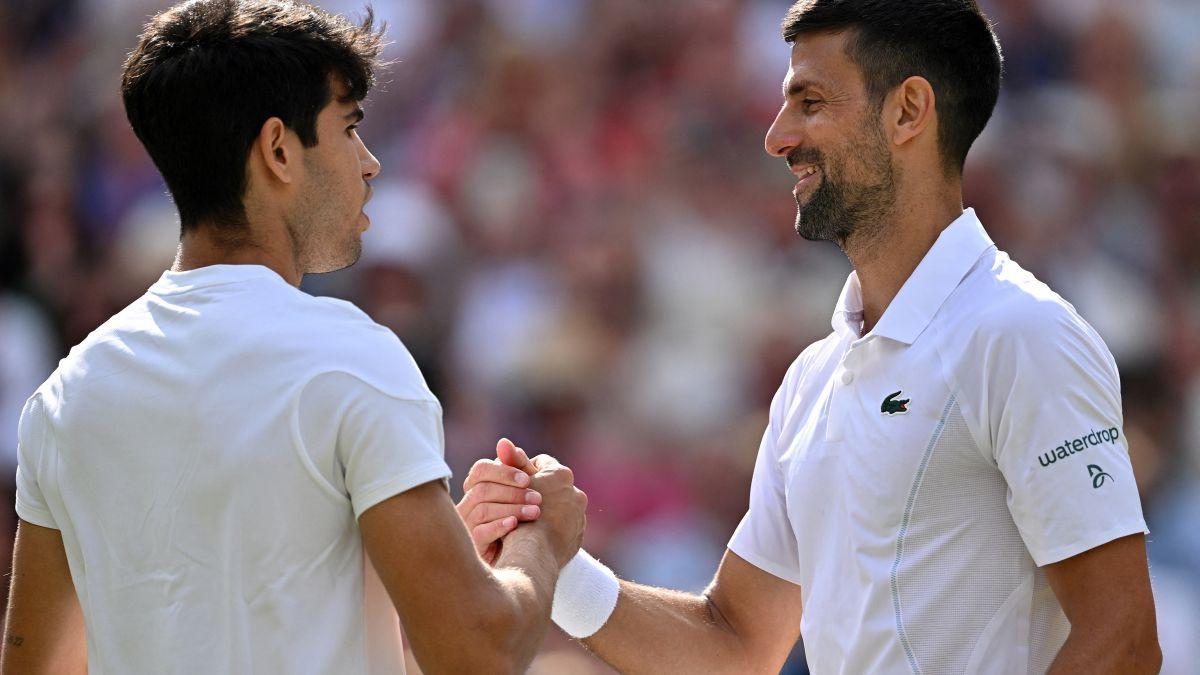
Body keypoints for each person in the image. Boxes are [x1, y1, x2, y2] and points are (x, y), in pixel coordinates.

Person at [461, 0, 1161, 672]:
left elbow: (1122, 642)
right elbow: (736, 647)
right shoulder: (811, 379)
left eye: (811, 101)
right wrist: (561, 568)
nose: (777, 135)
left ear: (909, 111)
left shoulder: (1023, 335)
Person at [1, 1, 586, 673]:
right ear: (279, 149)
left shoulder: (63, 400)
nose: (368, 163)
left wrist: (448, 558)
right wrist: (539, 542)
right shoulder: (354, 358)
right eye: (349, 127)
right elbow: (478, 651)